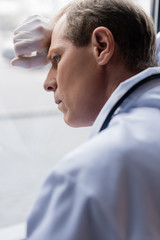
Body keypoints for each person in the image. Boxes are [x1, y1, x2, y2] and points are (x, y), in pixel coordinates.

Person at [11, 0, 160, 239]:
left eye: (56, 59)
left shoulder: (83, 181)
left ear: (101, 47)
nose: (48, 83)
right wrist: (63, 33)